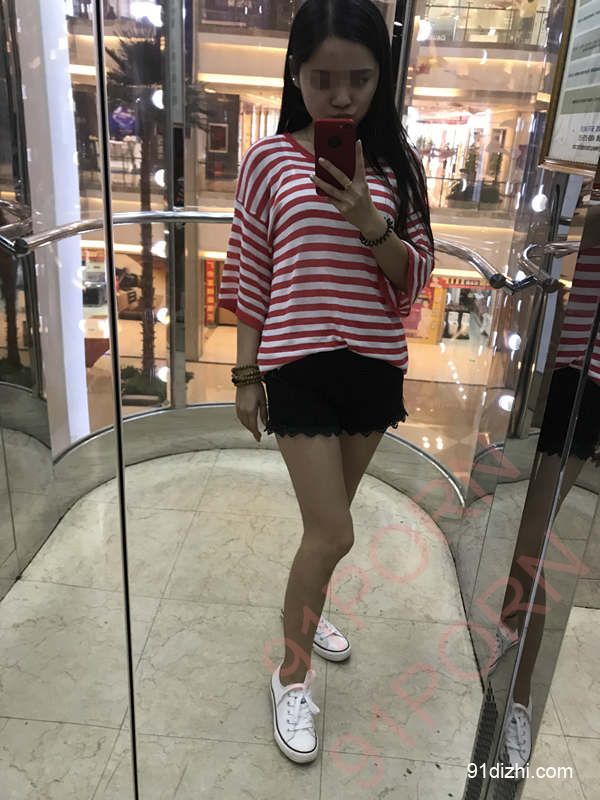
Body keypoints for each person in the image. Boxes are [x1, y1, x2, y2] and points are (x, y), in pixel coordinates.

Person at [217, 0, 434, 764]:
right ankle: (290, 676)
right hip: (297, 364)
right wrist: (245, 374)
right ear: (295, 75)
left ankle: (310, 617)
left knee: (326, 525)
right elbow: (249, 273)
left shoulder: (398, 167)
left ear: (382, 77)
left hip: (373, 364)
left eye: (360, 79)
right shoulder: (269, 161)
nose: (341, 96)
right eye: (322, 79)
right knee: (333, 530)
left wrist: (370, 218)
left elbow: (415, 281)